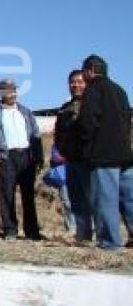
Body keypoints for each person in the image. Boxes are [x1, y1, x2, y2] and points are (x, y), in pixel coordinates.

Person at [79, 54, 133, 250]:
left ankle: (110, 242)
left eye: (84, 71)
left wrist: (86, 145)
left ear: (90, 70)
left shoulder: (94, 89)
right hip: (125, 153)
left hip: (104, 154)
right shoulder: (120, 90)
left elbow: (88, 121)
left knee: (106, 199)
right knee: (129, 198)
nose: (83, 76)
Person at [0, 79, 43, 241]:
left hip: (26, 156)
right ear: (1, 93)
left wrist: (38, 157)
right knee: (7, 195)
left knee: (28, 195)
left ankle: (32, 231)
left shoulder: (25, 111)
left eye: (14, 90)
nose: (12, 93)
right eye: (8, 91)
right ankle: (10, 230)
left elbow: (36, 134)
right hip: (7, 157)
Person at [54, 69, 93, 242]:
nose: (75, 85)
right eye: (72, 82)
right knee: (74, 199)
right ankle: (83, 234)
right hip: (70, 160)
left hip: (89, 159)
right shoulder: (64, 109)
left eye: (79, 81)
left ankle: (101, 233)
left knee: (93, 197)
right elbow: (58, 133)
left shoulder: (93, 105)